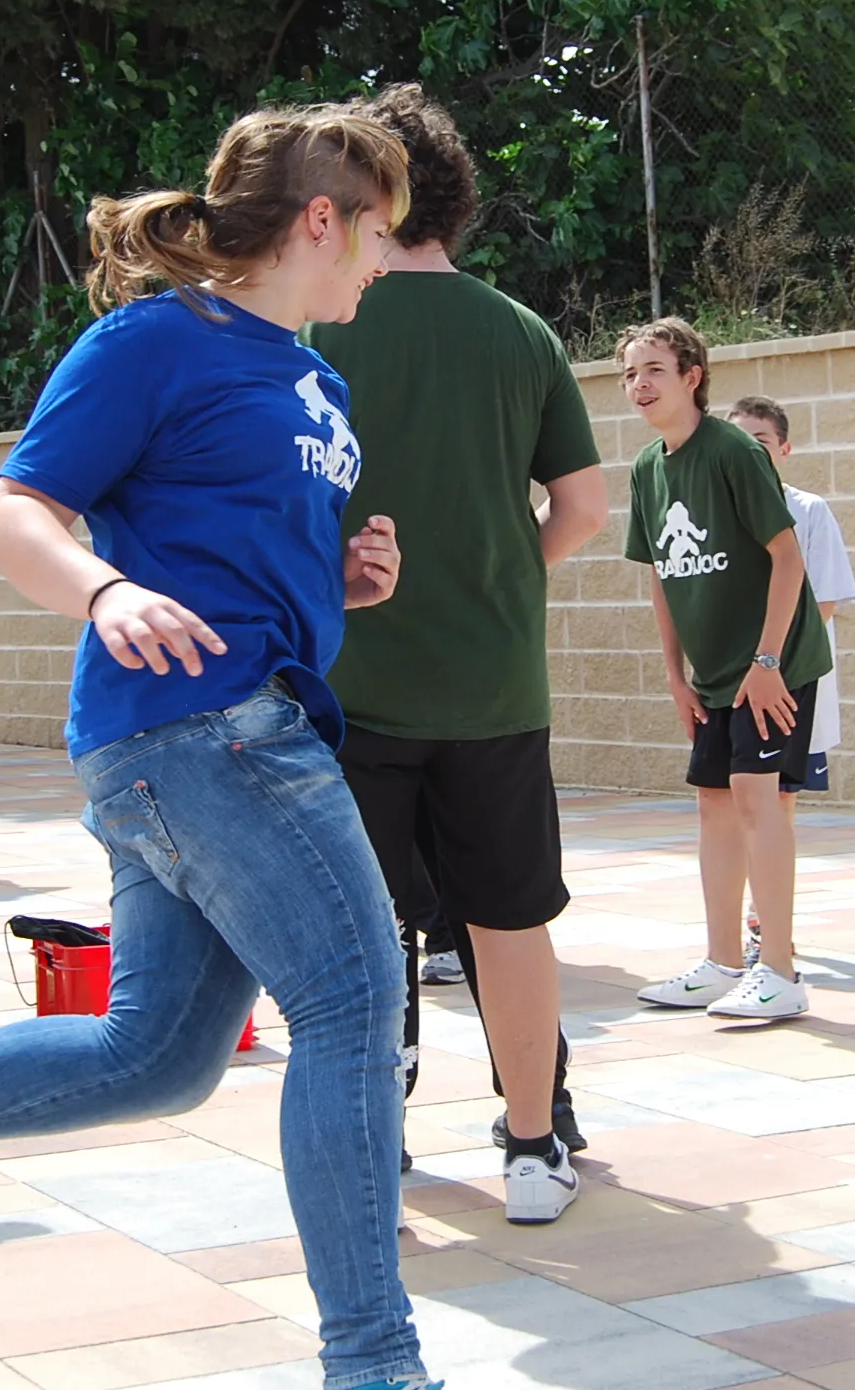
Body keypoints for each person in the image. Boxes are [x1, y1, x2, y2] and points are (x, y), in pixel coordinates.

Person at [0, 101, 424, 1390]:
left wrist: (344, 578)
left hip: (224, 722)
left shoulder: (316, 377)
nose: (383, 262)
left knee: (155, 1057)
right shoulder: (153, 342)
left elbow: (234, 543)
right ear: (320, 221)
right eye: (376, 233)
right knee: (351, 1006)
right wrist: (104, 592)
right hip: (203, 731)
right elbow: (16, 513)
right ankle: (377, 1369)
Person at [303, 84, 607, 1226]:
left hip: (346, 684)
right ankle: (533, 1148)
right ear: (456, 194)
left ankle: (375, 1145)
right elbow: (580, 505)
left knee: (363, 929)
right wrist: (506, 568)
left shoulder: (319, 323)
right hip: (492, 684)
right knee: (510, 916)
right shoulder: (517, 331)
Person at [619, 319, 832, 1022]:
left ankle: (781, 969)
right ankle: (721, 963)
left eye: (653, 368)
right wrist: (676, 677)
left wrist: (768, 661)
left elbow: (787, 555)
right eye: (629, 373)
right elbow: (663, 578)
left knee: (753, 792)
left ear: (692, 376)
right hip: (712, 673)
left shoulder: (734, 450)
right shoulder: (649, 468)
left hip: (772, 661)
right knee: (713, 801)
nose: (639, 384)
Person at [725, 397, 855, 796]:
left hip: (787, 672)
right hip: (729, 674)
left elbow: (825, 603)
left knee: (778, 796)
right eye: (737, 441)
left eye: (760, 440)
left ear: (784, 449)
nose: (749, 451)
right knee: (726, 794)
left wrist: (770, 660)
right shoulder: (714, 510)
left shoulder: (809, 510)